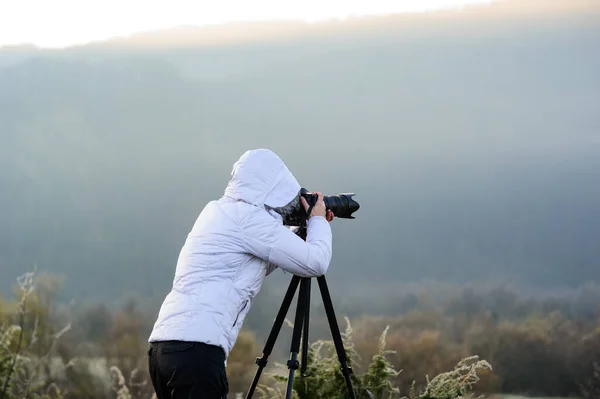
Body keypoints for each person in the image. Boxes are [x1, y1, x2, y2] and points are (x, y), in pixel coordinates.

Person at [147, 148, 334, 398]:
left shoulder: (217, 211)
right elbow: (316, 262)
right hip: (197, 352)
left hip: (163, 349)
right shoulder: (250, 220)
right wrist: (318, 220)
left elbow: (253, 263)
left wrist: (300, 235)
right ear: (274, 187)